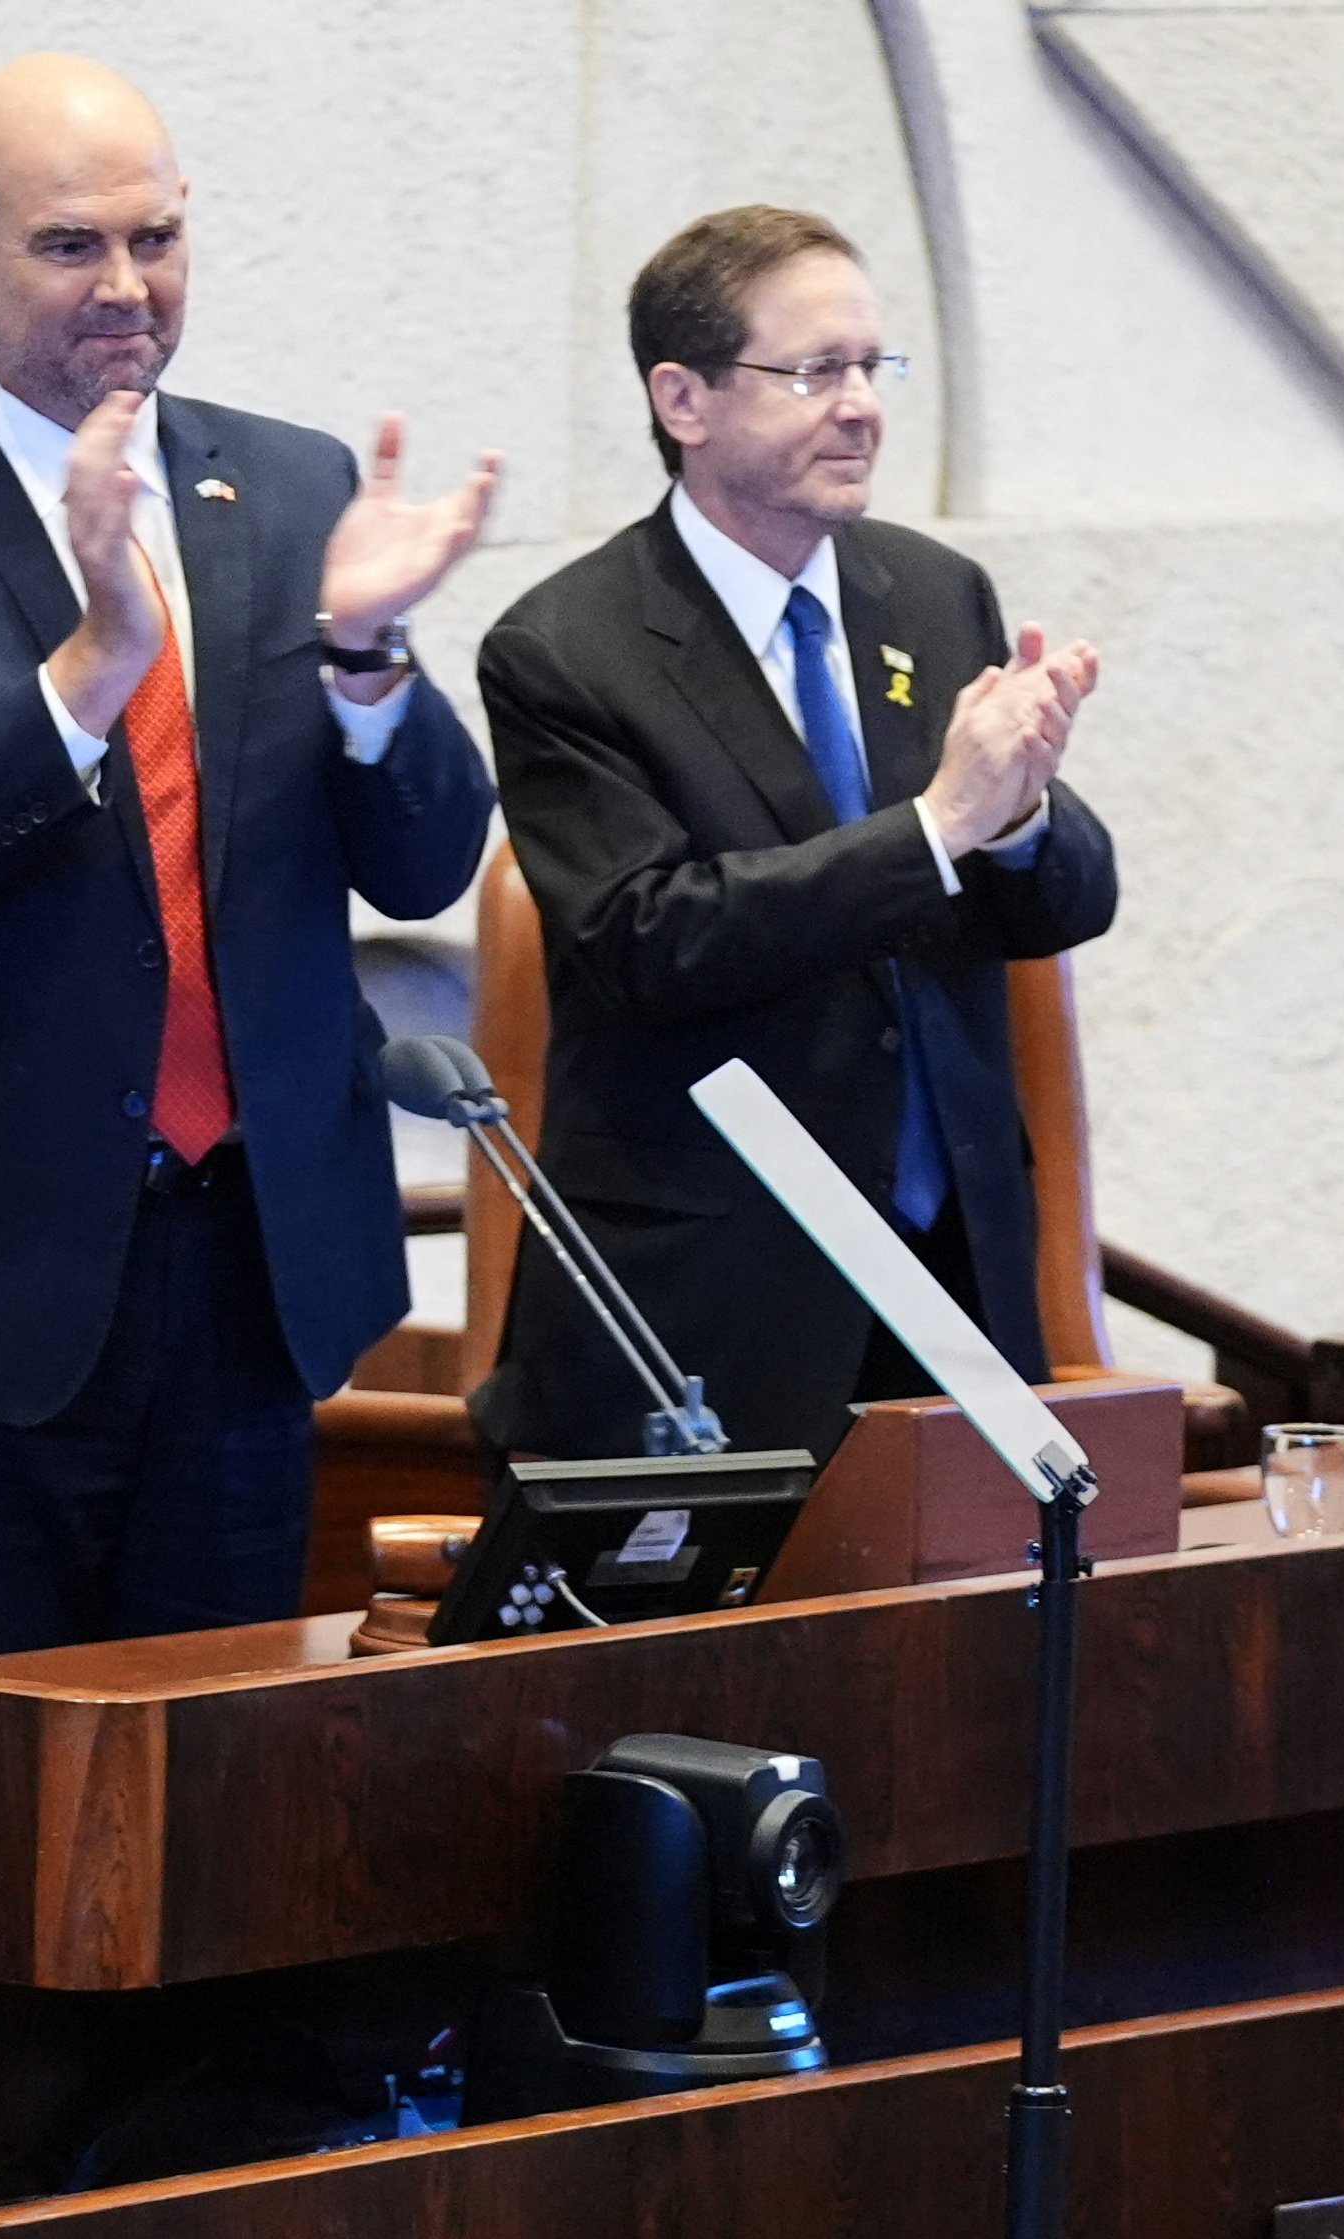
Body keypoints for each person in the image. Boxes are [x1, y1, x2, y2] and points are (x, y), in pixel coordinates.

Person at [0, 54, 503, 1650]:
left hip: (246, 1258)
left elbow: (421, 867)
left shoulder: (288, 488)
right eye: (73, 246)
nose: (128, 286)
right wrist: (91, 670)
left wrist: (367, 662)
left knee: (208, 1783)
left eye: (158, 238)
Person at [471, 206, 1119, 1463]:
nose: (861, 405)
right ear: (684, 399)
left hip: (958, 1287)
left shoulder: (932, 595)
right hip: (715, 1305)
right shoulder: (566, 648)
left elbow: (1064, 904)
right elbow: (649, 940)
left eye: (873, 366)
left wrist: (1026, 807)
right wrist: (938, 826)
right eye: (815, 371)